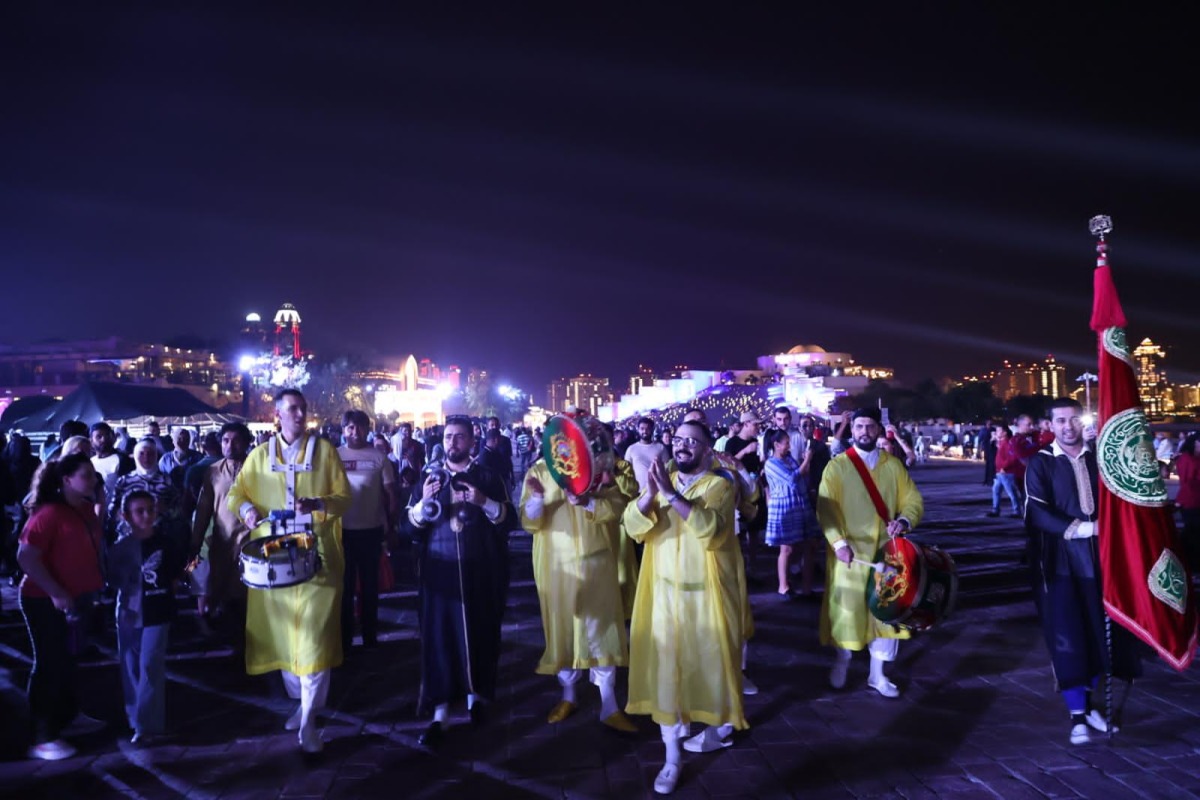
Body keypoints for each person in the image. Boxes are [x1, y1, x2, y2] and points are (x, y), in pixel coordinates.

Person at [622, 421, 747, 795]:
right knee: (668, 676)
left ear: (708, 450)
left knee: (709, 669)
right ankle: (672, 756)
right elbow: (632, 526)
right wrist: (649, 496)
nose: (684, 447)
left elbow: (711, 529)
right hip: (663, 597)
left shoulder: (720, 486)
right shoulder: (662, 481)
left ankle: (717, 729)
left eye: (693, 442)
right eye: (678, 440)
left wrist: (671, 494)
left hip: (706, 598)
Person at [227, 389, 351, 753]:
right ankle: (304, 703)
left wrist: (319, 504)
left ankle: (310, 722)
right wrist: (247, 512)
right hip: (274, 562)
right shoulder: (260, 456)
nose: (299, 414)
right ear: (277, 414)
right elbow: (237, 495)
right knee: (284, 640)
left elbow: (345, 499)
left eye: (303, 408)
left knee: (313, 638)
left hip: (318, 559)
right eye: (292, 409)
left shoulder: (326, 452)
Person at [1025, 398, 1141, 745]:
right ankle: (1077, 713)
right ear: (1051, 425)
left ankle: (1094, 706)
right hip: (1061, 565)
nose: (1068, 426)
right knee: (1069, 636)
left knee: (1101, 635)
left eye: (1074, 419)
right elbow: (1036, 512)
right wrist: (1084, 529)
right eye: (1060, 421)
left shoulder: (1100, 461)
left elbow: (1123, 497)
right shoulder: (1041, 463)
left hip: (1102, 563)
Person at [407, 415, 515, 749]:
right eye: (449, 436)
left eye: (460, 437)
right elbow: (407, 527)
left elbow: (509, 520)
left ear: (472, 441)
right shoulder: (429, 476)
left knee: (481, 635)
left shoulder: (487, 476)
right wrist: (424, 504)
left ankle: (476, 700)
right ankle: (440, 713)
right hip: (438, 574)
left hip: (479, 570)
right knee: (439, 641)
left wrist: (483, 502)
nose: (453, 442)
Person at [520, 452, 636, 732]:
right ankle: (568, 696)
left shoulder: (597, 468)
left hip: (596, 563)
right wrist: (538, 499)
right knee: (563, 633)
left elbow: (618, 506)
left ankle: (609, 705)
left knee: (602, 632)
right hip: (555, 567)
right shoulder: (540, 471)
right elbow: (528, 521)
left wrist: (589, 501)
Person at [818, 407, 923, 699]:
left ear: (879, 430)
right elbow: (826, 509)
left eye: (870, 426)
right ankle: (843, 660)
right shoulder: (837, 466)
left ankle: (877, 675)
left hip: (887, 554)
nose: (864, 431)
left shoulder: (893, 466)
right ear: (852, 429)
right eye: (859, 426)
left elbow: (912, 499)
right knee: (846, 612)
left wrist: (904, 520)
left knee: (886, 614)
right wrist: (838, 543)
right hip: (849, 555)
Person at [16, 454, 106, 760]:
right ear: (66, 479)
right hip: (44, 599)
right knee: (49, 663)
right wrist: (55, 590)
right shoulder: (49, 513)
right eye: (86, 475)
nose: (93, 479)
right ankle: (43, 734)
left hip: (75, 597)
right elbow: (26, 557)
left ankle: (67, 716)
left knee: (68, 661)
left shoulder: (83, 508)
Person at [107, 490, 185, 744]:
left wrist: (173, 586)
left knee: (150, 664)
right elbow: (113, 579)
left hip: (157, 609)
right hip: (129, 612)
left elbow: (179, 570)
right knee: (130, 667)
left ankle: (147, 723)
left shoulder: (166, 542)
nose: (146, 515)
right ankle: (136, 718)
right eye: (139, 511)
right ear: (126, 515)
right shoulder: (120, 548)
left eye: (150, 509)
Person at [336, 409, 397, 651]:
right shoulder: (334, 456)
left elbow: (392, 493)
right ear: (343, 430)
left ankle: (371, 636)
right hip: (342, 533)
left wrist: (391, 526)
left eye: (360, 427)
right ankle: (344, 639)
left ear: (368, 429)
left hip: (371, 532)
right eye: (350, 427)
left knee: (370, 588)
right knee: (344, 589)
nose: (355, 432)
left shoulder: (379, 457)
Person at [190, 423, 253, 631]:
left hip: (250, 543)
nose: (230, 445)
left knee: (246, 596)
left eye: (236, 440)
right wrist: (195, 543)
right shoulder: (213, 471)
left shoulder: (256, 469)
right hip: (221, 543)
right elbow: (203, 509)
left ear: (246, 442)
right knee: (221, 594)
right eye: (226, 440)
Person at [763, 429, 817, 598]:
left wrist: (805, 462)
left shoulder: (789, 459)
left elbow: (802, 474)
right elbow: (792, 478)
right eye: (786, 442)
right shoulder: (771, 463)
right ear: (776, 445)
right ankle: (783, 586)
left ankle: (807, 587)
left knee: (807, 544)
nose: (789, 445)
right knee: (786, 548)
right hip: (784, 506)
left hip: (798, 503)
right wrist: (807, 459)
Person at [625, 416, 668, 493]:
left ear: (652, 430)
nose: (645, 431)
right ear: (638, 429)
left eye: (648, 429)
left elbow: (667, 469)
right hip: (638, 492)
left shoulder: (660, 447)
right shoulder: (631, 449)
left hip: (659, 491)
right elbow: (626, 471)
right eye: (642, 428)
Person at [1176, 434, 1200, 571]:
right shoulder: (1187, 459)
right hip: (1191, 500)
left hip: (1191, 499)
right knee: (1193, 533)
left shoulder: (1189, 459)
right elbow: (1187, 480)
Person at [988, 426, 1023, 517]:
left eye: (998, 430)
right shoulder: (1001, 443)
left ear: (1005, 433)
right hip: (1000, 472)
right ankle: (995, 510)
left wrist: (1004, 467)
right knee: (996, 491)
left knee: (1011, 492)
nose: (996, 432)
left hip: (1006, 472)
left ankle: (1017, 511)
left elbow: (1012, 457)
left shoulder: (1008, 443)